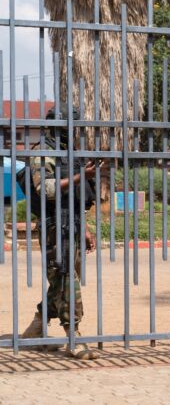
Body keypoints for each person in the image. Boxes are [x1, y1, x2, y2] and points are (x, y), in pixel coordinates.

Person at [20, 105, 101, 360]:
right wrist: (80, 175)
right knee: (66, 281)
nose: (73, 130)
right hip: (54, 226)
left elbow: (78, 197)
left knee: (61, 281)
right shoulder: (42, 151)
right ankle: (73, 337)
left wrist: (86, 228)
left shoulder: (71, 152)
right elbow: (45, 189)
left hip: (74, 224)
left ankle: (35, 330)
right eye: (69, 125)